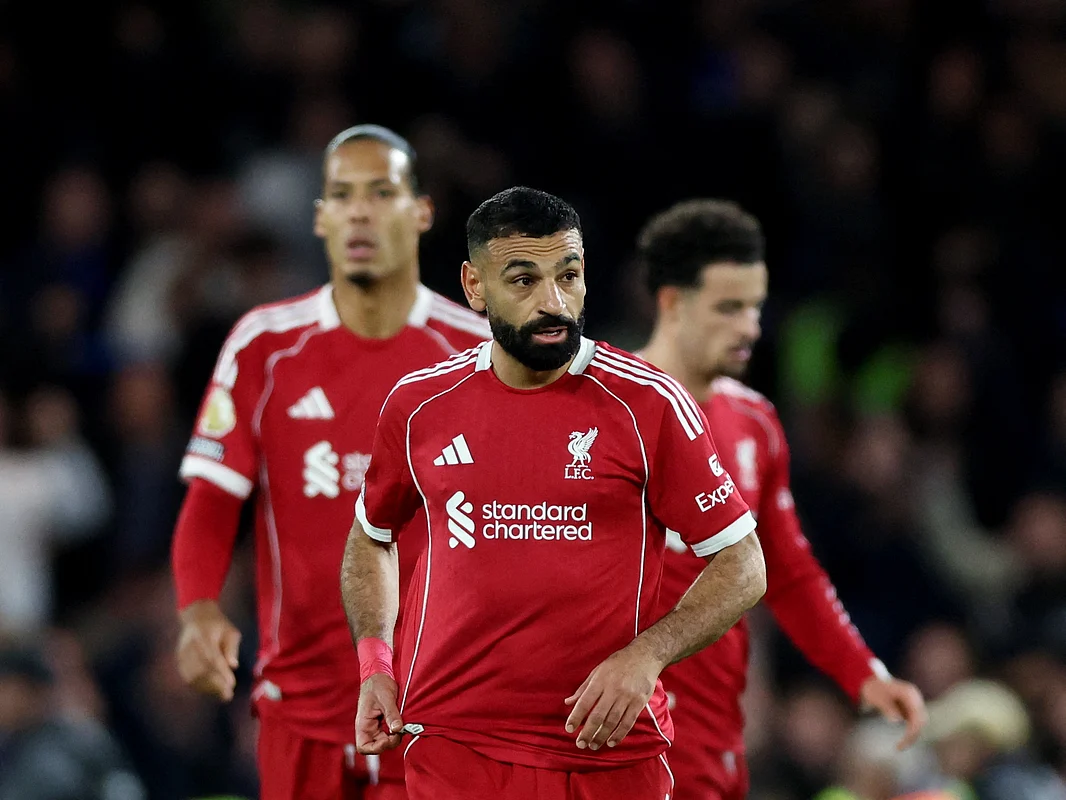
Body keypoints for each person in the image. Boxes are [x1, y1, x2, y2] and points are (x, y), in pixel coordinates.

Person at [340, 186, 767, 800]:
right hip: (455, 743)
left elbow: (743, 563)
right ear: (475, 286)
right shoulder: (419, 406)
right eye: (524, 281)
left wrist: (646, 657)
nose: (554, 302)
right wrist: (376, 664)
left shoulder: (647, 404)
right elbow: (372, 536)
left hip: (607, 747)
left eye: (568, 276)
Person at [170, 125, 490, 800]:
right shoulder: (264, 346)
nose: (360, 213)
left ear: (422, 211)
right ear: (320, 218)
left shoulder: (478, 353)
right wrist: (198, 608)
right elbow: (212, 501)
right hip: (301, 708)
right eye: (342, 195)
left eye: (381, 192)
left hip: (437, 708)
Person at [635, 198, 927, 800]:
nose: (750, 328)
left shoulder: (755, 422)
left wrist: (863, 673)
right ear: (672, 303)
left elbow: (788, 572)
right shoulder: (598, 410)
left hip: (715, 728)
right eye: (729, 308)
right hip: (615, 730)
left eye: (755, 307)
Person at [0, 640, 146, 800]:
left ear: (34, 691)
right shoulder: (11, 744)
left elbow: (123, 788)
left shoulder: (81, 740)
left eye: (8, 690)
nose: (3, 700)